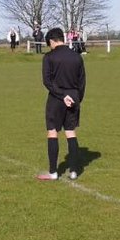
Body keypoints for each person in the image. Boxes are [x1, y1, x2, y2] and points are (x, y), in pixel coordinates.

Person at [36, 27, 86, 181]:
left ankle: (53, 172)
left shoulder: (49, 57)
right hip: (74, 96)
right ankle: (73, 171)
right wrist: (76, 99)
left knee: (52, 132)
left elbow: (47, 81)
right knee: (70, 131)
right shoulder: (77, 57)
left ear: (51, 41)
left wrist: (62, 95)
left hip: (56, 98)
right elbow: (82, 82)